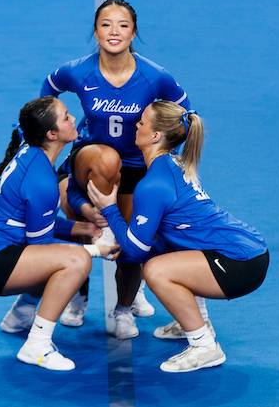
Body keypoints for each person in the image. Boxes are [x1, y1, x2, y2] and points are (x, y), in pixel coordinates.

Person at [39, 0, 192, 337]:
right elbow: (47, 93)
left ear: (133, 32)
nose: (114, 31)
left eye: (123, 25)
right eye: (106, 24)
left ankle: (123, 309)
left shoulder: (155, 76)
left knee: (132, 244)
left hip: (136, 168)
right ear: (95, 32)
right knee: (88, 211)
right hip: (90, 162)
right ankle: (77, 296)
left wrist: (164, 156)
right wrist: (58, 129)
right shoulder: (78, 71)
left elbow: (184, 115)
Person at [86, 101, 268, 373]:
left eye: (142, 123)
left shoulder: (152, 185)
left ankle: (204, 346)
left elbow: (135, 252)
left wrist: (110, 209)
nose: (136, 125)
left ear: (156, 136)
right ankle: (195, 322)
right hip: (248, 250)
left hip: (240, 263)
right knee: (162, 251)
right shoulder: (173, 164)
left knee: (156, 270)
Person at [0, 97, 119, 371]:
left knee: (67, 255)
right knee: (75, 263)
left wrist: (83, 227)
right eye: (66, 117)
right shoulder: (43, 182)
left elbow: (34, 222)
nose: (73, 120)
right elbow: (43, 251)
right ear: (52, 134)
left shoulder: (31, 154)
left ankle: (20, 316)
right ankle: (37, 344)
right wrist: (96, 250)